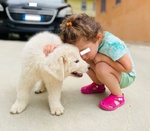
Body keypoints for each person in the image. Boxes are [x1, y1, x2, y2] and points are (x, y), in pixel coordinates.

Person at [43, 13, 136, 111]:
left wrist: (104, 58)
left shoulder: (112, 45)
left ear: (98, 37)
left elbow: (127, 68)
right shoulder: (87, 43)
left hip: (126, 76)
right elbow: (70, 50)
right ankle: (99, 85)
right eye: (79, 51)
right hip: (112, 70)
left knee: (101, 67)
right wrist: (55, 47)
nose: (82, 55)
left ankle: (118, 95)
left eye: (84, 50)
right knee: (86, 61)